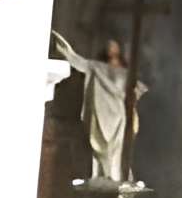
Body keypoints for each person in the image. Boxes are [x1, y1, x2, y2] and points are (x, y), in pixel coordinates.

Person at [53, 33, 141, 185]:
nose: (111, 49)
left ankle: (115, 176)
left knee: (116, 148)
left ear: (119, 49)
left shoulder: (125, 73)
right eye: (108, 46)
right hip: (102, 111)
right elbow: (80, 63)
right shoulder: (98, 67)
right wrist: (66, 52)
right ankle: (100, 175)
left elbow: (133, 91)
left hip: (118, 113)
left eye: (113, 46)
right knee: (99, 144)